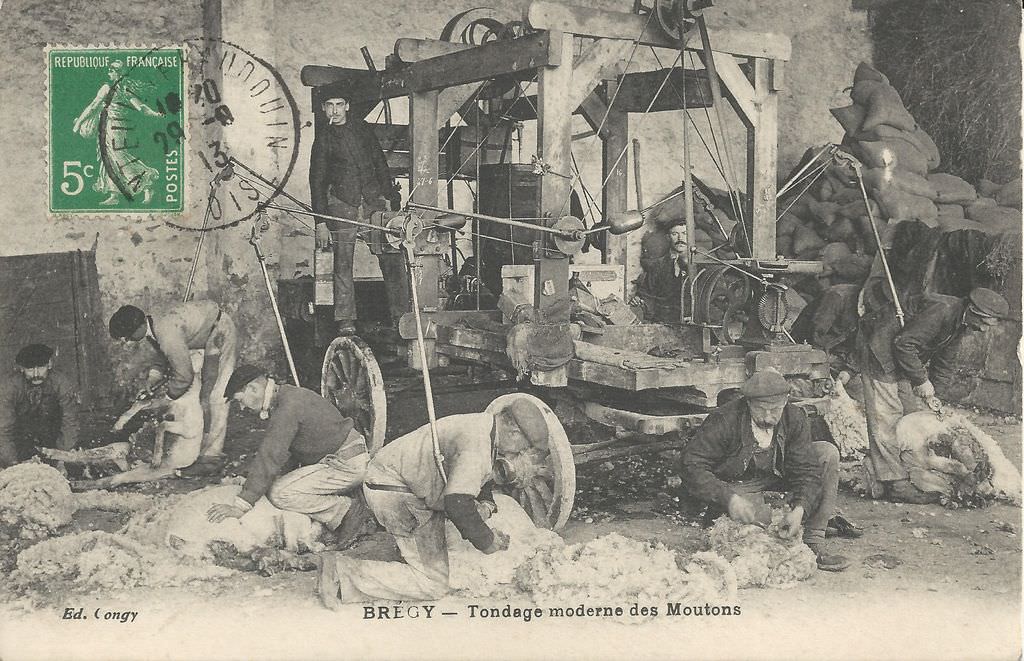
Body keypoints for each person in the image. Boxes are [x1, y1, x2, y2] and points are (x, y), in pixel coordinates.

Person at [315, 398, 549, 606]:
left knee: (440, 544)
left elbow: (478, 476)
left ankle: (406, 553)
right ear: (514, 431)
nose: (519, 453)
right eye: (524, 447)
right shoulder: (476, 446)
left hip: (391, 477)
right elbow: (457, 503)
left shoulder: (482, 424)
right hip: (395, 493)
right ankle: (342, 572)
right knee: (433, 583)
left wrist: (485, 504)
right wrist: (487, 541)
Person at [679, 369, 852, 571]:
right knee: (757, 533)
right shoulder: (724, 419)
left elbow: (807, 470)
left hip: (778, 473)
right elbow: (690, 464)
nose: (768, 417)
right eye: (761, 410)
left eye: (775, 410)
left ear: (785, 402)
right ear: (748, 403)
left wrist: (800, 509)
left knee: (827, 454)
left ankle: (813, 541)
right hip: (739, 482)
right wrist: (728, 498)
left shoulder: (794, 417)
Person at [856, 287, 1009, 502]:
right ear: (973, 311)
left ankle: (899, 471)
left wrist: (936, 397)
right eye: (983, 323)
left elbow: (945, 361)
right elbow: (904, 343)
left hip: (900, 357)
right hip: (879, 350)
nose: (983, 330)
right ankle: (895, 484)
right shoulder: (942, 310)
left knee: (909, 416)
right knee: (886, 419)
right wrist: (921, 380)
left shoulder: (961, 323)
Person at [205, 365, 371, 539]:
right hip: (346, 456)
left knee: (280, 494)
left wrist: (241, 505)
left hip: (346, 464)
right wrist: (256, 480)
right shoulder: (288, 395)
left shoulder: (287, 408)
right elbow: (286, 453)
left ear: (253, 389)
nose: (241, 407)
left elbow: (270, 455)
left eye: (240, 400)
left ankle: (347, 510)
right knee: (280, 483)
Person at [309, 91, 407, 335]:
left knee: (391, 256)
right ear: (323, 108)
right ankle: (345, 320)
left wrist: (390, 199)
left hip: (373, 202)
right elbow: (317, 181)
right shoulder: (323, 139)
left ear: (347, 105)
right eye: (330, 105)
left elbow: (380, 164)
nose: (335, 110)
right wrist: (320, 222)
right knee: (343, 263)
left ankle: (402, 316)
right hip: (342, 205)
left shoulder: (363, 130)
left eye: (339, 104)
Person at [108, 299, 237, 471]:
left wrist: (166, 398)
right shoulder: (153, 324)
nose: (127, 341)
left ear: (139, 327)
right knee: (194, 391)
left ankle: (211, 457)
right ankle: (195, 441)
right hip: (201, 333)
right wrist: (153, 378)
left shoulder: (166, 332)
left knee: (217, 394)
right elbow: (163, 353)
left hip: (219, 330)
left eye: (127, 336)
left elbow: (184, 375)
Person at [72, 60, 162, 205]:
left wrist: (78, 123)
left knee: (118, 157)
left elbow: (93, 106)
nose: (109, 72)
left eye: (111, 70)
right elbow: (142, 108)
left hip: (112, 127)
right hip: (118, 127)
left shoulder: (107, 88)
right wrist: (156, 114)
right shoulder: (126, 89)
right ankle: (114, 195)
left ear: (118, 73)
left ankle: (147, 182)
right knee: (109, 158)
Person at [0, 344, 81, 468]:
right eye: (30, 369)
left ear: (49, 364)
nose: (36, 374)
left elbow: (70, 422)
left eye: (41, 367)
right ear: (21, 368)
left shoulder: (61, 383)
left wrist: (62, 458)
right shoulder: (9, 387)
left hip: (52, 440)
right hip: (19, 441)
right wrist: (14, 464)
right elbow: (3, 429)